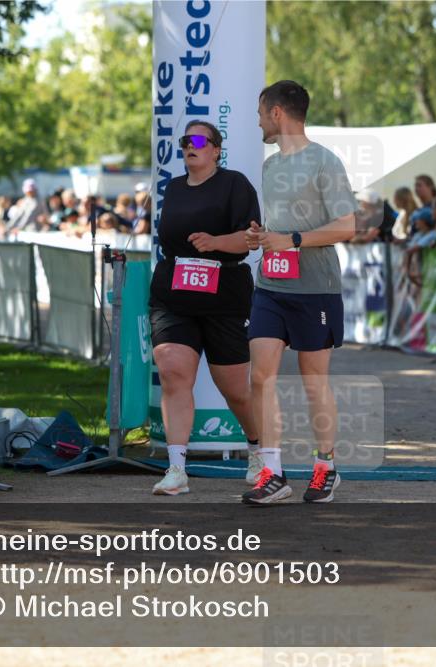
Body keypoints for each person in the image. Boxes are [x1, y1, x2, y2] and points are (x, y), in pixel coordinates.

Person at [244, 80, 358, 504]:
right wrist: (262, 235)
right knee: (261, 375)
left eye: (260, 112)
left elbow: (347, 226)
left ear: (277, 113)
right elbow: (278, 227)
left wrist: (291, 239)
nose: (257, 121)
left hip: (315, 288)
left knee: (314, 383)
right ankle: (272, 472)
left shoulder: (325, 162)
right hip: (270, 285)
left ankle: (326, 466)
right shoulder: (270, 166)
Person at [149, 119, 261, 497]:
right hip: (174, 291)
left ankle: (257, 449)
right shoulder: (174, 187)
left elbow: (250, 239)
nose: (189, 146)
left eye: (198, 140)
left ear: (216, 149)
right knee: (172, 371)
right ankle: (177, 468)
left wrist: (215, 242)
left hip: (224, 293)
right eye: (185, 140)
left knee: (234, 389)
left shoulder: (235, 184)